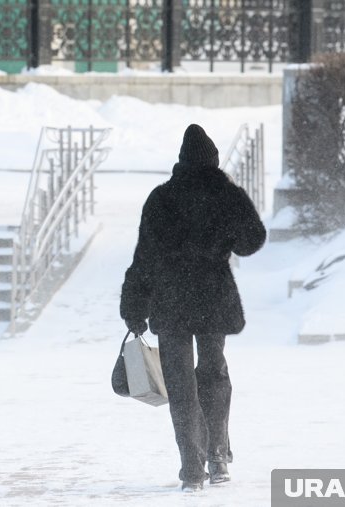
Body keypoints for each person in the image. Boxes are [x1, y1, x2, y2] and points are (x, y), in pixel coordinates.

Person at [119, 124, 266, 492]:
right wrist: (230, 205)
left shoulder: (161, 198)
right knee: (214, 372)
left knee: (180, 385)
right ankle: (218, 457)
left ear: (182, 162)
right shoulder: (225, 195)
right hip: (212, 297)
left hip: (170, 300)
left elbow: (145, 258)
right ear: (214, 162)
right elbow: (252, 241)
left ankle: (191, 471)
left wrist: (134, 305)